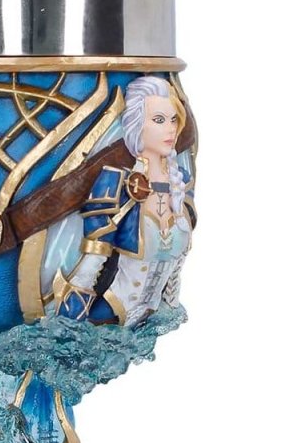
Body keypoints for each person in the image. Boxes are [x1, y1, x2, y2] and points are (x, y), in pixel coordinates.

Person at [55, 75, 195, 327]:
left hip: (151, 322)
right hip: (108, 318)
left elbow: (174, 272)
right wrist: (70, 330)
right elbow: (90, 268)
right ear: (136, 123)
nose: (171, 129)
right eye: (159, 120)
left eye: (174, 119)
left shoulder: (181, 183)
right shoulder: (116, 184)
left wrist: (170, 308)